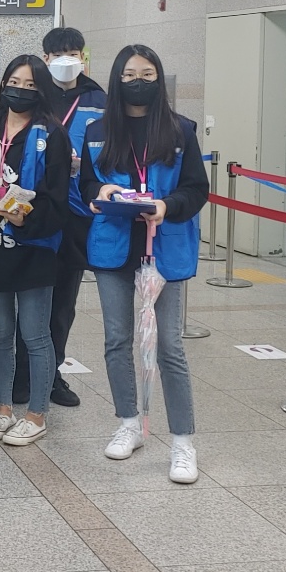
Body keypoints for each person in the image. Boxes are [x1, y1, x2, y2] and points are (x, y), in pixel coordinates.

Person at [81, 44, 208, 484]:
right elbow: (86, 184)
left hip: (164, 247)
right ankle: (129, 423)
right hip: (115, 246)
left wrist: (166, 206)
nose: (139, 81)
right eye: (131, 74)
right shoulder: (98, 130)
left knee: (169, 346)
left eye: (148, 74)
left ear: (159, 79)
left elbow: (197, 189)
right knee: (117, 340)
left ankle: (183, 442)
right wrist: (101, 192)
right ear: (117, 79)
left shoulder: (180, 130)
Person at [0, 55, 71, 447]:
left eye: (30, 85)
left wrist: (27, 220)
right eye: (14, 82)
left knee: (35, 335)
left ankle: (36, 414)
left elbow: (59, 197)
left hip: (34, 248)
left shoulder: (51, 135)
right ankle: (3, 409)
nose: (20, 90)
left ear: (41, 90)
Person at [12, 28, 107, 408]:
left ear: (83, 56)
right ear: (46, 57)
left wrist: (88, 166)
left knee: (63, 303)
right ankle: (22, 376)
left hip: (77, 212)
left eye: (73, 52)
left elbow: (112, 151)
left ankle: (52, 377)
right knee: (30, 298)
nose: (66, 59)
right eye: (58, 53)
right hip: (36, 209)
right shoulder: (35, 94)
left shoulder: (98, 99)